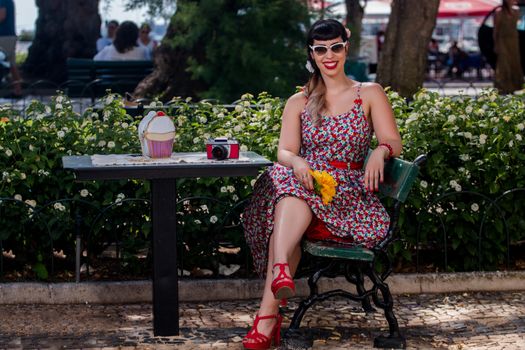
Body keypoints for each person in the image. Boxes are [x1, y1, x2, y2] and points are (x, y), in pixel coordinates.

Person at [241, 19, 402, 349]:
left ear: (346, 47)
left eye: (336, 48)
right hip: (306, 186)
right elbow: (285, 151)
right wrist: (298, 161)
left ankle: (268, 314)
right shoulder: (298, 102)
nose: (329, 56)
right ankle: (277, 286)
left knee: (285, 200)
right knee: (289, 184)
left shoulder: (369, 93)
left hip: (347, 200)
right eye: (320, 50)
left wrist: (379, 152)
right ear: (311, 54)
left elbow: (392, 141)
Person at [493, 0, 524, 94]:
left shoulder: (517, 10)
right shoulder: (499, 12)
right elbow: (495, 30)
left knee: (515, 62)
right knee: (504, 63)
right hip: (503, 40)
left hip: (514, 40)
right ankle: (504, 87)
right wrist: (496, 44)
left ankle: (516, 86)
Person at [0, 0, 21, 96]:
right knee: (12, 64)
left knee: (5, 62)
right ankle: (17, 90)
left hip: (4, 36)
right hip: (9, 35)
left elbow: (2, 16)